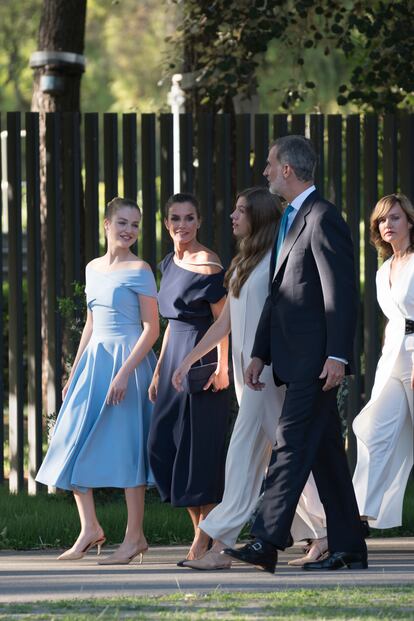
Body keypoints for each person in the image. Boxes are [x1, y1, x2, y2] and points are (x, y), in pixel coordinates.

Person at [223, 135, 367, 573]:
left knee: (287, 447)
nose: (265, 171)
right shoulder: (290, 218)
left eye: (269, 164)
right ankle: (349, 548)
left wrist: (338, 356)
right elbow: (279, 295)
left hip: (316, 362)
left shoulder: (322, 217)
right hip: (292, 361)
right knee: (326, 458)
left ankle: (266, 540)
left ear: (287, 168)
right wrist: (259, 354)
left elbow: (341, 294)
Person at [172, 187, 327, 570]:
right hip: (247, 375)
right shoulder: (242, 263)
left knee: (243, 453)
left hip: (269, 374)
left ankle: (220, 542)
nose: (233, 216)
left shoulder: (277, 260)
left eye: (241, 211)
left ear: (257, 217)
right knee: (286, 455)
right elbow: (224, 322)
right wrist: (189, 359)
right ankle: (326, 531)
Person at [36, 197, 159, 565]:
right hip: (94, 364)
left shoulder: (141, 269)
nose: (129, 231)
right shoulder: (91, 268)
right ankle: (89, 527)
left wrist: (124, 374)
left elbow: (152, 329)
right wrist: (74, 373)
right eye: (122, 222)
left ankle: (135, 536)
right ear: (106, 224)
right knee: (68, 439)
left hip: (129, 365)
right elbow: (91, 323)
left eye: (135, 225)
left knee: (127, 447)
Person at [147, 192, 230, 563]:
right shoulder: (168, 262)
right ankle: (201, 530)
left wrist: (222, 366)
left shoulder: (209, 264)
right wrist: (158, 369)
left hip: (202, 359)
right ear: (166, 224)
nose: (182, 225)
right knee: (163, 447)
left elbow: (224, 321)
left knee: (199, 452)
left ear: (199, 222)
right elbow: (169, 324)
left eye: (189, 218)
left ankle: (203, 537)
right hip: (173, 364)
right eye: (175, 218)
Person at [353, 193, 414, 530]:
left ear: (409, 222)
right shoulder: (383, 270)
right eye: (382, 220)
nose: (387, 224)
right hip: (392, 359)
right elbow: (393, 321)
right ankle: (359, 517)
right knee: (374, 431)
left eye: (395, 218)